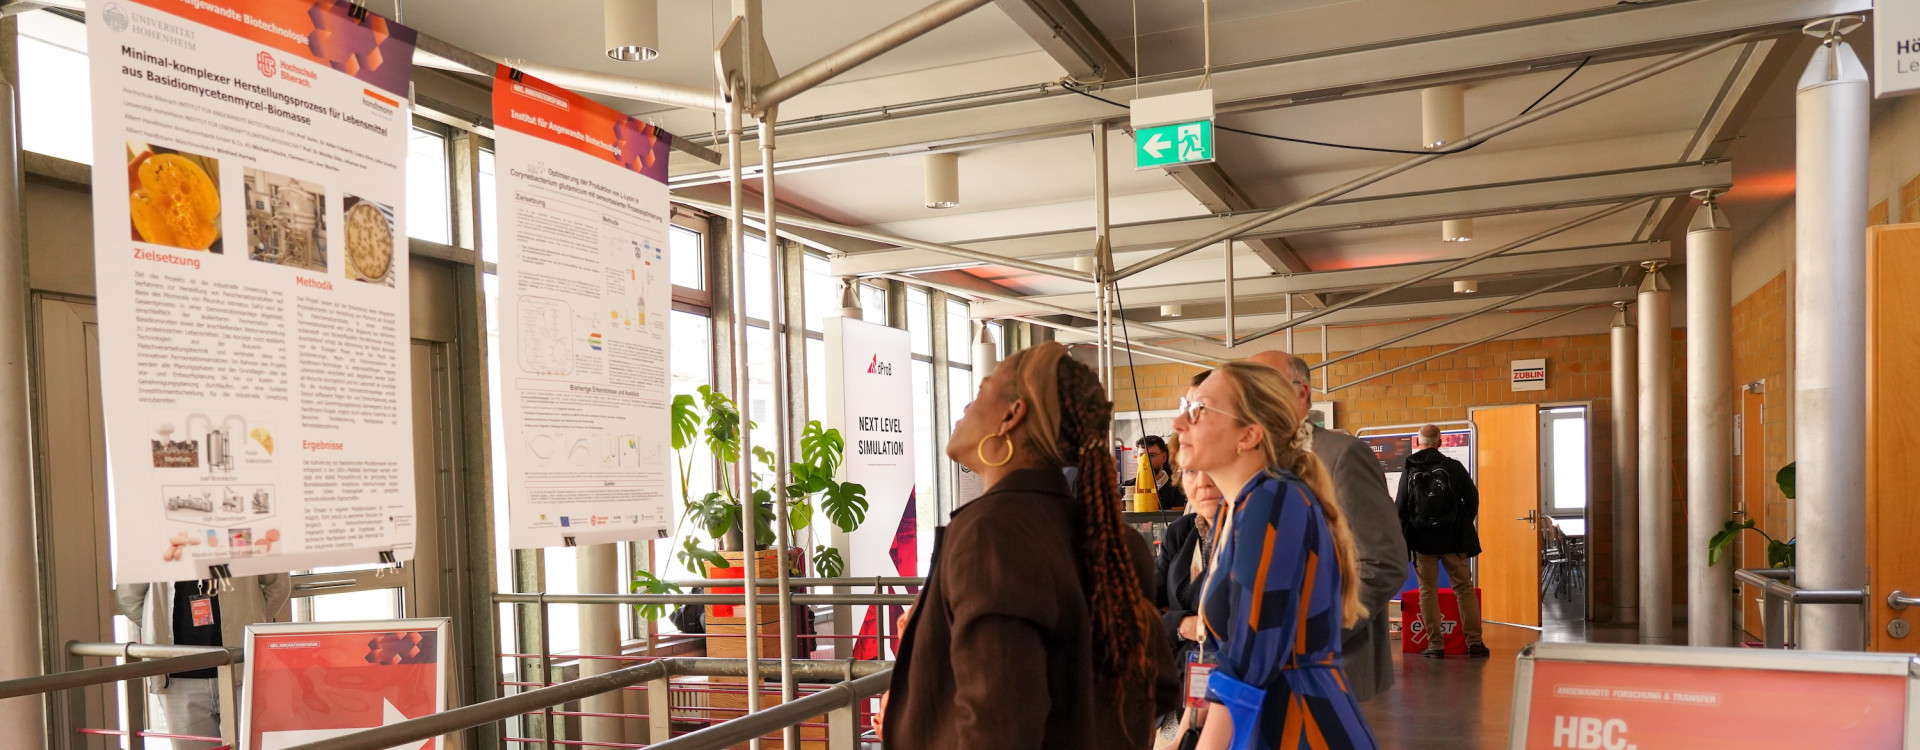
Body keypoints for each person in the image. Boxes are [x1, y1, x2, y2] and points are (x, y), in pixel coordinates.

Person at [882, 341, 1179, 749]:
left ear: (1012, 415)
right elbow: (1152, 694)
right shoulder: (1115, 542)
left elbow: (998, 728)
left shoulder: (992, 535)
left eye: (982, 390)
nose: (966, 406)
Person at [1175, 361, 1377, 750]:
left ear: (1248, 434)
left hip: (1300, 729)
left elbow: (1250, 656)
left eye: (1198, 410)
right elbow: (1218, 653)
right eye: (1185, 407)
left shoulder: (1273, 501)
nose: (1180, 422)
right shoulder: (1235, 509)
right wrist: (1186, 732)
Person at [1245, 351, 1405, 702]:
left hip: (1327, 669)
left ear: (1301, 392)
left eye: (1263, 385)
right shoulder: (1251, 459)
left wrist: (1311, 636)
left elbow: (1381, 563)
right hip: (1259, 670)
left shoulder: (1341, 455)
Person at [116, 575, 291, 747]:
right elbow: (128, 599)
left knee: (253, 745)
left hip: (240, 671)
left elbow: (278, 586)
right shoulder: (152, 554)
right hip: (179, 681)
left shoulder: (244, 552)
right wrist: (158, 625)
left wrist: (247, 623)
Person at [1396, 424, 1489, 658]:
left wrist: (1406, 536)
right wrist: (1460, 522)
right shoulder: (1454, 467)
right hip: (1453, 539)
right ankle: (1474, 643)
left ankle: (1435, 645)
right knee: (1464, 589)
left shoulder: (1409, 470)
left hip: (1421, 540)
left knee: (1427, 591)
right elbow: (1472, 499)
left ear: (1418, 442)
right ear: (1440, 442)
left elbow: (1400, 507)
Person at [1152, 462, 1225, 745]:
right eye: (1191, 471)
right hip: (1177, 693)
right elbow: (1147, 612)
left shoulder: (1250, 536)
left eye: (1214, 467)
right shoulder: (1181, 531)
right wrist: (1182, 624)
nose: (1203, 482)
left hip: (1224, 703)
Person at [1124, 435, 1188, 510]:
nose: (1145, 461)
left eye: (1151, 455)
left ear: (1164, 457)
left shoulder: (1179, 490)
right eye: (1141, 455)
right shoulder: (1126, 490)